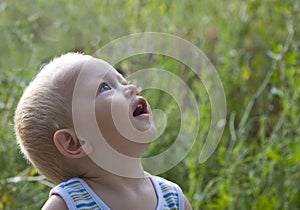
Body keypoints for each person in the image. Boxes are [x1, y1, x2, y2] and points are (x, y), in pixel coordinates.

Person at [14, 52, 192, 210]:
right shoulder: (68, 204)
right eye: (105, 87)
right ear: (74, 142)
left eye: (123, 81)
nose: (131, 88)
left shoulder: (173, 199)